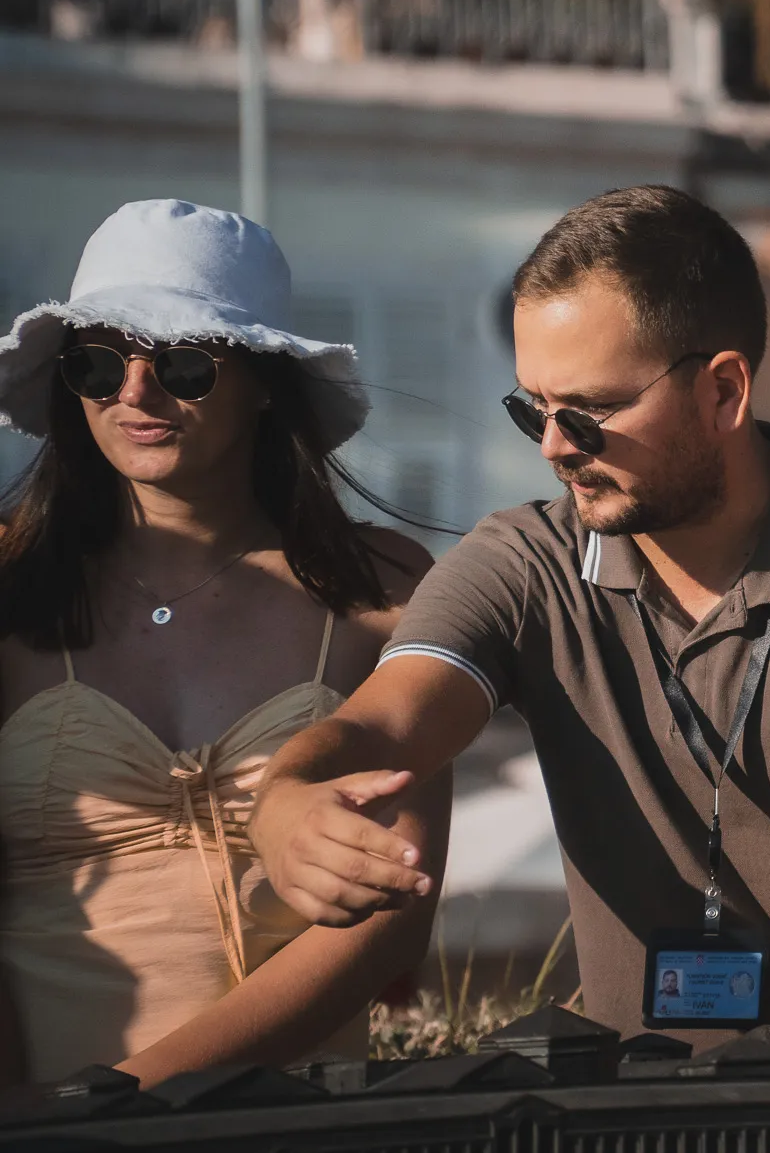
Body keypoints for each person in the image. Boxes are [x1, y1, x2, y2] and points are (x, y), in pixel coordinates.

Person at [248, 185, 770, 1062]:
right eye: (532, 410)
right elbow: (381, 721)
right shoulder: (526, 561)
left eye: (588, 413)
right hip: (661, 1105)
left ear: (723, 391)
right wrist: (286, 799)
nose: (555, 445)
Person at [0, 199, 442, 1086]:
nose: (134, 394)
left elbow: (396, 908)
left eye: (184, 364)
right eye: (97, 362)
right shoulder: (8, 584)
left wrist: (141, 1094)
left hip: (293, 1125)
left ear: (266, 379)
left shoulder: (382, 588)